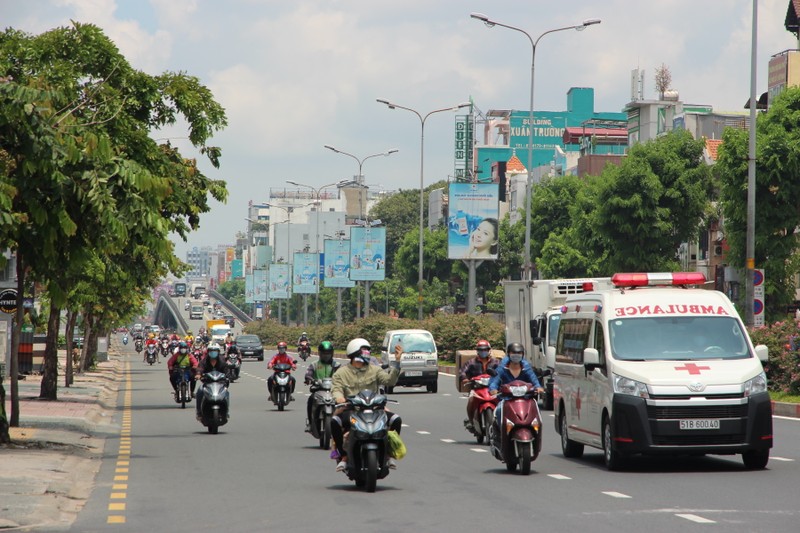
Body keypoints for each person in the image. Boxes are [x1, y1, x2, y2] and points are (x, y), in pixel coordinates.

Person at [331, 338, 402, 472]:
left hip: (375, 410)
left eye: (368, 352)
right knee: (335, 422)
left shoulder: (375, 370)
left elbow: (389, 381)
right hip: (352, 410)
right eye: (364, 352)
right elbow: (336, 389)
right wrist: (339, 398)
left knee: (396, 419)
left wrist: (397, 362)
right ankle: (343, 455)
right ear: (354, 353)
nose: (367, 355)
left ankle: (388, 453)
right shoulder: (341, 372)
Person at [488, 343, 544, 447]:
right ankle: (498, 436)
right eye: (514, 352)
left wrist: (538, 387)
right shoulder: (502, 368)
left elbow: (534, 380)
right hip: (506, 399)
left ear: (523, 354)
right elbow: (494, 382)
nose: (516, 355)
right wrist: (493, 389)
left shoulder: (526, 367)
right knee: (499, 411)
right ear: (508, 353)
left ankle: (536, 439)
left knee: (536, 414)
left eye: (519, 353)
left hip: (525, 399)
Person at [459, 339, 500, 432]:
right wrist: (465, 379)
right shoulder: (471, 362)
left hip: (492, 388)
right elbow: (462, 372)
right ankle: (471, 421)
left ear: (489, 350)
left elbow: (503, 372)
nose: (483, 352)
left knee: (503, 402)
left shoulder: (496, 362)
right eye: (481, 350)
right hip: (476, 388)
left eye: (485, 349)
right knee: (470, 402)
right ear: (477, 351)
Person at [304, 340, 340, 433]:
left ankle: (340, 423)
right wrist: (309, 379)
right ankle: (310, 423)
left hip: (333, 390)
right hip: (318, 390)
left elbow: (342, 375)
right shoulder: (314, 364)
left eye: (328, 353)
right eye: (324, 353)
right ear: (320, 353)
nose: (326, 355)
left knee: (341, 403)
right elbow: (308, 373)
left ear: (332, 353)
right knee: (311, 400)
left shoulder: (336, 365)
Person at [195, 342, 228, 417]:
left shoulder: (222, 361)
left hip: (220, 382)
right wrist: (198, 374)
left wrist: (228, 376)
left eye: (215, 351)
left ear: (218, 352)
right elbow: (200, 368)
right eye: (211, 351)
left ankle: (225, 411)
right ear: (208, 352)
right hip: (208, 382)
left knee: (226, 392)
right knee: (199, 391)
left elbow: (227, 370)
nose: (213, 352)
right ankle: (199, 412)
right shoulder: (204, 361)